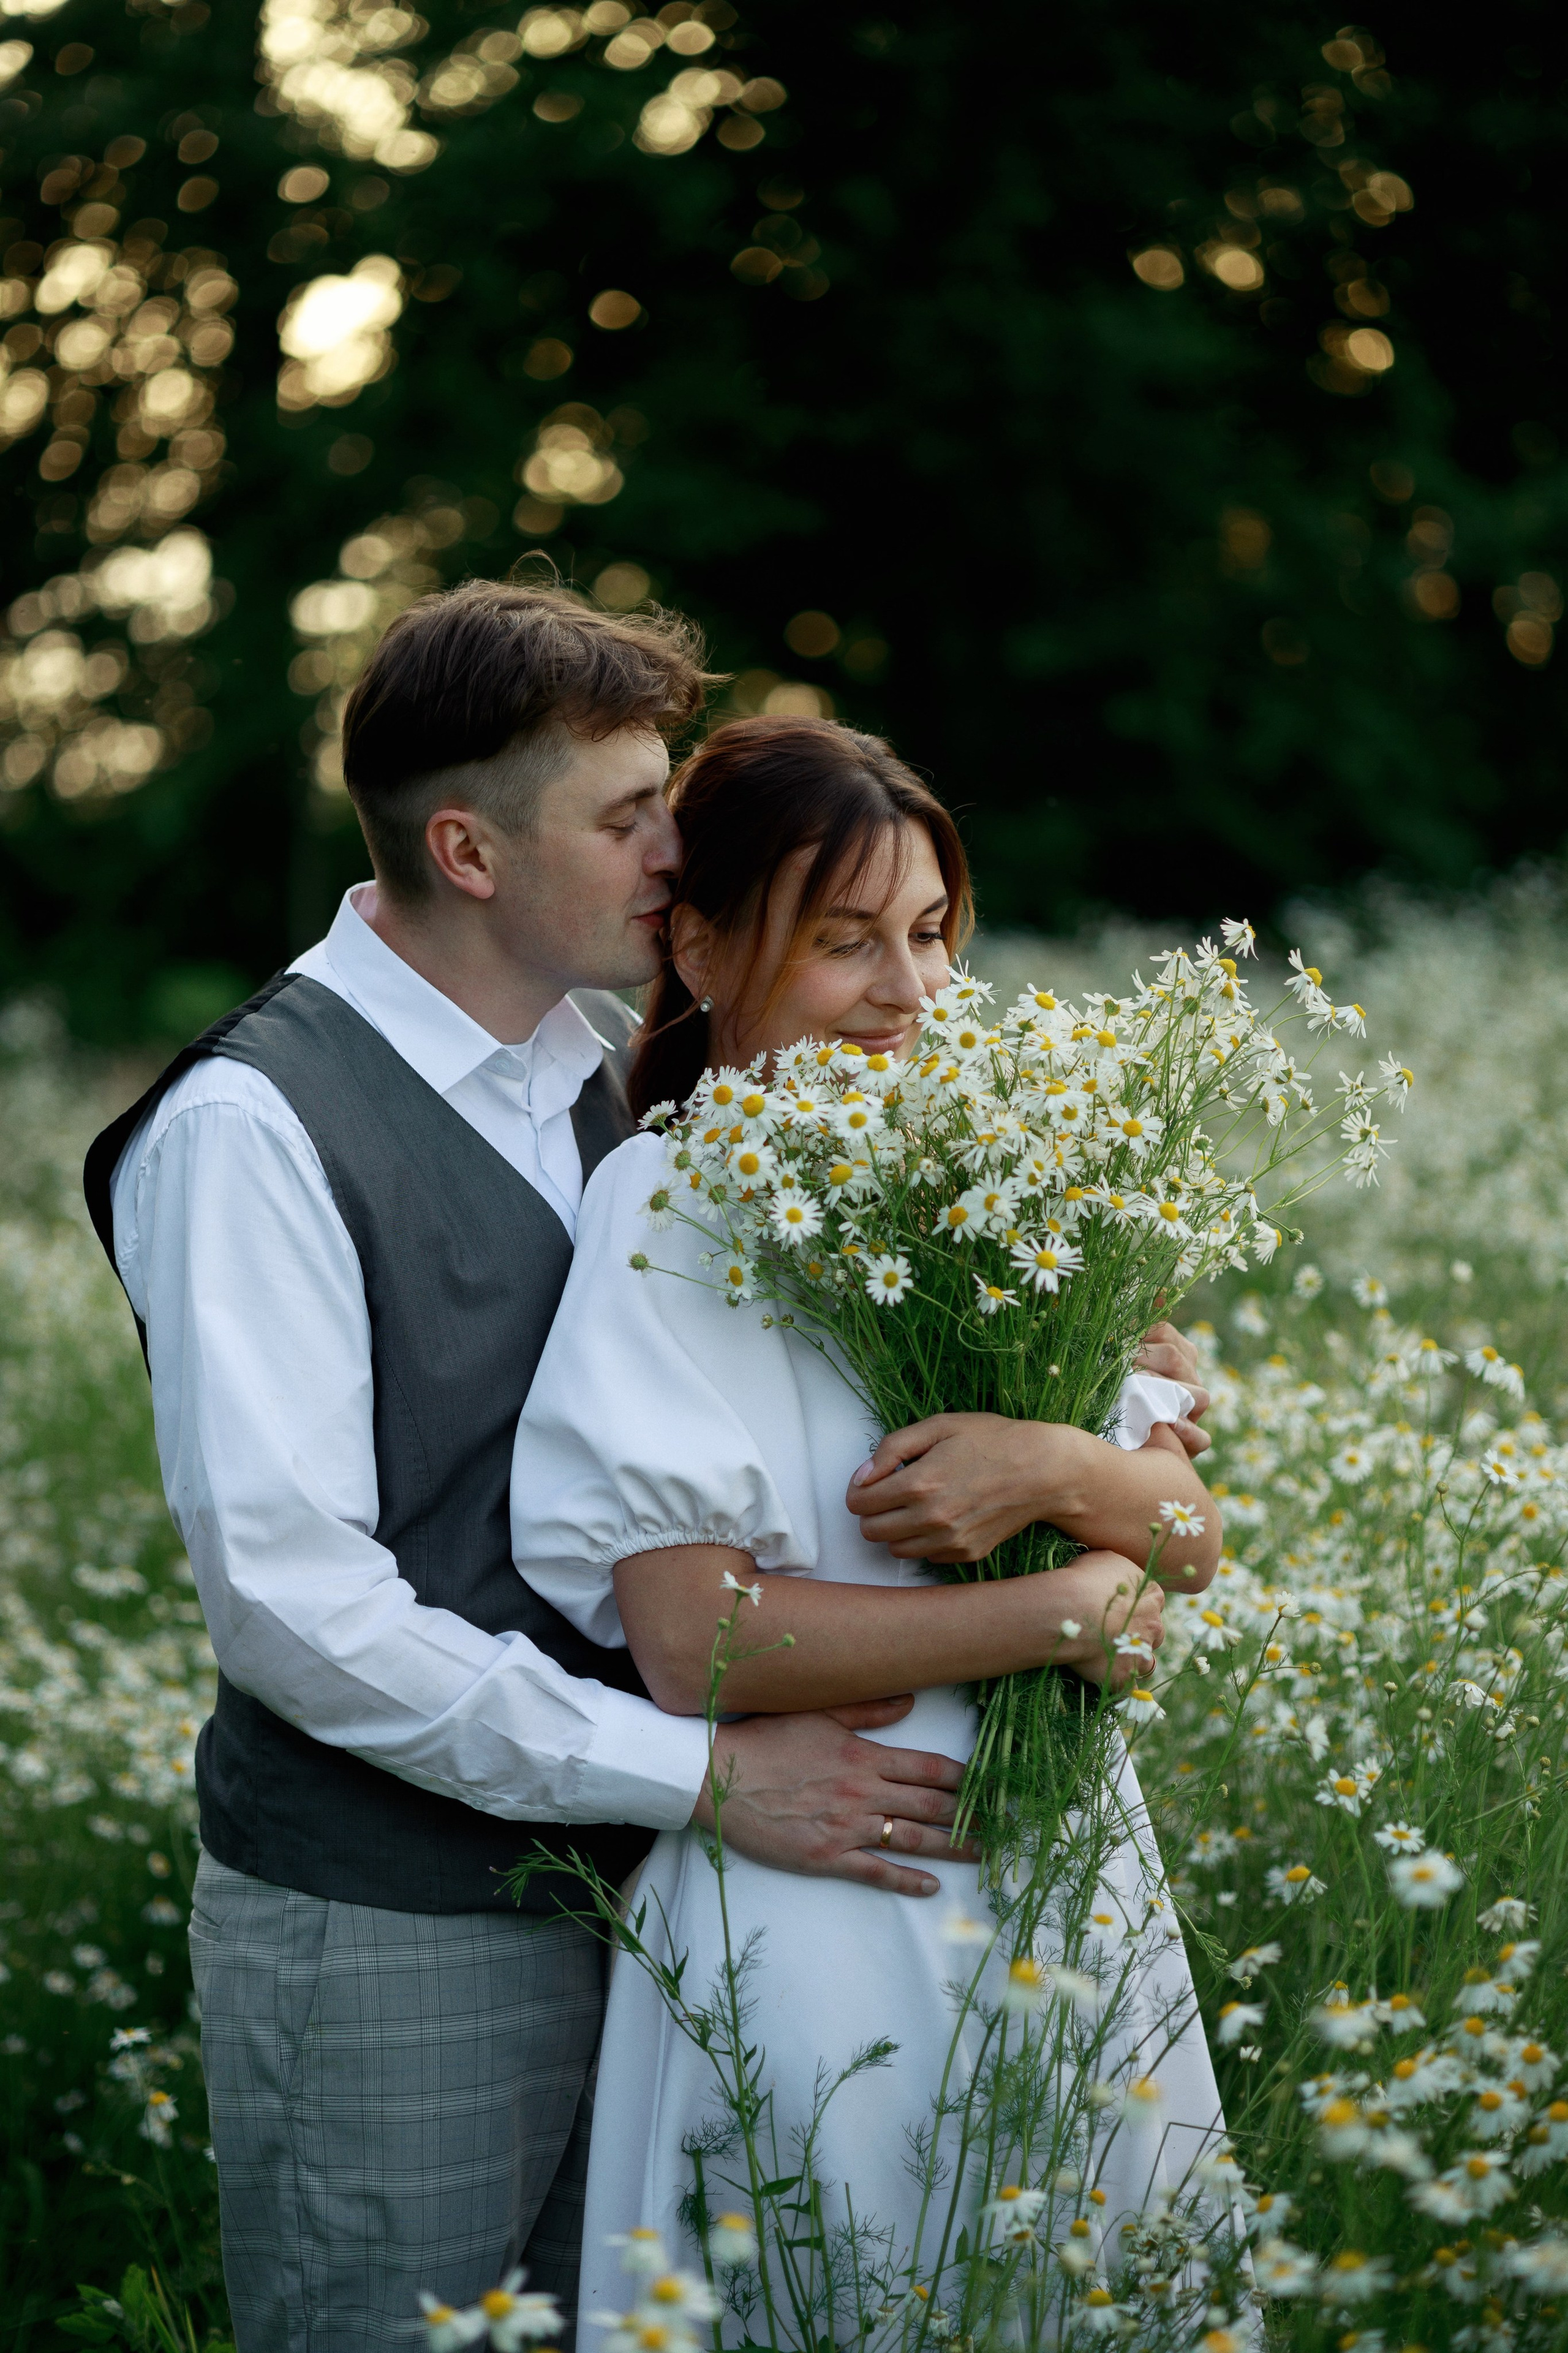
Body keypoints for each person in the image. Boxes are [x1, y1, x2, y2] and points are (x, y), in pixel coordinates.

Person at [81, 584, 1057, 2353]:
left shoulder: (608, 1080)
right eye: (626, 817)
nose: (677, 848)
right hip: (394, 1927)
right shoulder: (252, 1125)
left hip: (652, 1894)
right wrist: (697, 1772)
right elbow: (294, 1605)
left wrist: (1088, 1399)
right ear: (467, 848)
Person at [509, 714, 1229, 2334]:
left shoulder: (1001, 1179)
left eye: (930, 933)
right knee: (849, 2283)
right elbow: (695, 1640)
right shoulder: (673, 1206)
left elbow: (1188, 1537)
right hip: (837, 1884)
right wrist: (1057, 1614)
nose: (908, 992)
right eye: (844, 943)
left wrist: (1055, 1469)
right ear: (700, 949)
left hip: (1065, 1868)